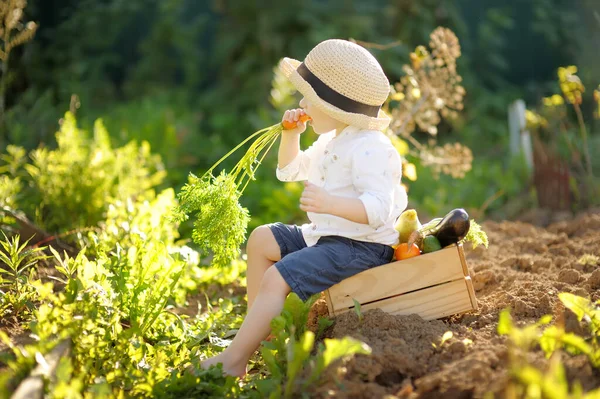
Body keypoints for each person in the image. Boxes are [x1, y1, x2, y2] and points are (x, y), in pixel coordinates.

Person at [200, 39, 408, 377]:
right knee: (261, 239)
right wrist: (291, 135)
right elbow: (290, 170)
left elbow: (379, 210)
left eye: (308, 98)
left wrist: (330, 203)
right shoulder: (333, 140)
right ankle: (259, 337)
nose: (301, 103)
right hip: (330, 237)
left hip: (361, 247)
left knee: (276, 277)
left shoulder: (372, 148)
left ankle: (234, 361)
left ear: (333, 106)